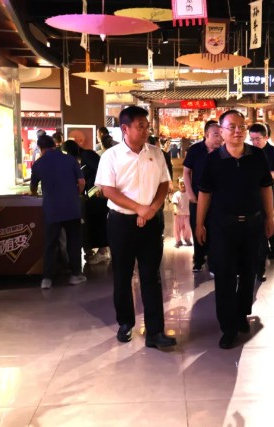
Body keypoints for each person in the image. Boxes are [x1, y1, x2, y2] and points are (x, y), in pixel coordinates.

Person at [94, 106, 176, 349]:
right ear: (125, 129)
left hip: (150, 221)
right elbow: (108, 190)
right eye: (140, 126)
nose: (145, 130)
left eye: (147, 126)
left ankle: (155, 332)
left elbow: (164, 183)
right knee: (122, 275)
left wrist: (151, 209)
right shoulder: (111, 156)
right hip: (121, 222)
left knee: (151, 276)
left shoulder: (156, 153)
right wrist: (138, 208)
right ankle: (125, 323)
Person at [196, 110, 274, 349]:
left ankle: (241, 314)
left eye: (241, 126)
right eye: (232, 127)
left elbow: (265, 188)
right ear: (221, 131)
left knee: (249, 272)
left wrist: (270, 218)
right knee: (225, 275)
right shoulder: (213, 160)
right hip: (222, 226)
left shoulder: (258, 156)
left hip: (252, 224)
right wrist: (199, 223)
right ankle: (228, 326)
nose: (238, 131)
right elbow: (205, 194)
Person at [30, 135, 87, 289]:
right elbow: (81, 182)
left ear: (40, 148)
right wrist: (76, 193)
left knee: (50, 243)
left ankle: (47, 279)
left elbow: (33, 187)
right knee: (74, 242)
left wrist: (35, 193)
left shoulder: (39, 163)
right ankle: (75, 275)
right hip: (72, 208)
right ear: (54, 145)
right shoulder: (70, 160)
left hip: (52, 209)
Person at [183, 120, 223, 273]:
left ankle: (213, 261)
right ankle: (198, 259)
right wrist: (190, 194)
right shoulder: (195, 150)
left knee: (215, 229)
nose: (219, 138)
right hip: (197, 197)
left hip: (217, 198)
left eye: (221, 135)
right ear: (206, 134)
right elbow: (186, 172)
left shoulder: (223, 151)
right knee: (197, 227)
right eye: (216, 135)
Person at [61, 140, 109, 265]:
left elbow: (102, 171)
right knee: (92, 222)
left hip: (99, 194)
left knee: (99, 222)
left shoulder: (87, 155)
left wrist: (98, 188)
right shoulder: (77, 161)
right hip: (90, 195)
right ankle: (95, 250)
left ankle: (103, 251)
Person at [249, 123, 274, 281]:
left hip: (269, 191)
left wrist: (259, 175)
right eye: (252, 139)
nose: (254, 142)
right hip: (251, 192)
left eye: (258, 139)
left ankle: (261, 264)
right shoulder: (248, 151)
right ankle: (271, 249)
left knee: (265, 219)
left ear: (266, 137)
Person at [171, 178, 193, 248]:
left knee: (188, 228)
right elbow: (174, 203)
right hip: (178, 215)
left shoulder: (189, 194)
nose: (183, 185)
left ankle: (187, 238)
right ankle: (178, 240)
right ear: (178, 185)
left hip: (187, 214)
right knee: (177, 228)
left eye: (184, 184)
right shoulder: (176, 194)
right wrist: (175, 210)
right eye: (181, 184)